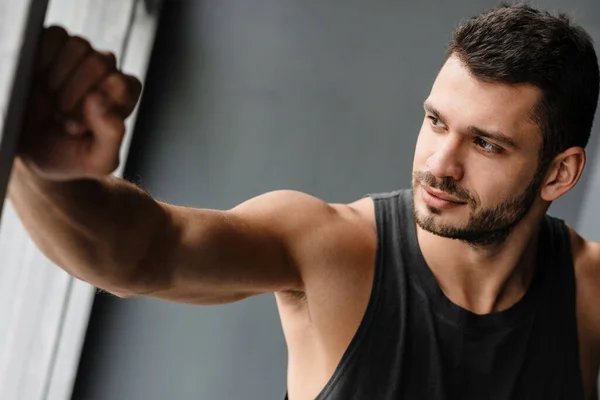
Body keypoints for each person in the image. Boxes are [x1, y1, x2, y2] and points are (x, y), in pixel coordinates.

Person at [9, 3, 600, 399]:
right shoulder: (333, 247)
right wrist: (39, 162)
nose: (440, 165)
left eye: (487, 144)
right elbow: (147, 254)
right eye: (436, 122)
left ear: (559, 173)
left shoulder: (588, 291)